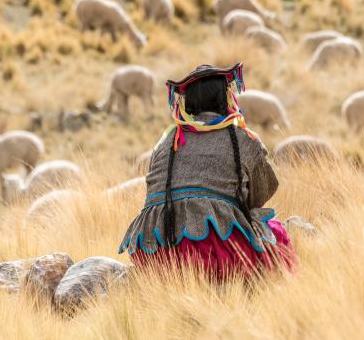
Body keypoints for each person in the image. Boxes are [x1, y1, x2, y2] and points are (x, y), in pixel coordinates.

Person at [118, 63, 296, 280]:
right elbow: (262, 192)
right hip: (214, 250)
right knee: (275, 234)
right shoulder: (242, 138)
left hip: (154, 251)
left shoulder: (168, 141)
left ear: (188, 101)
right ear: (226, 97)